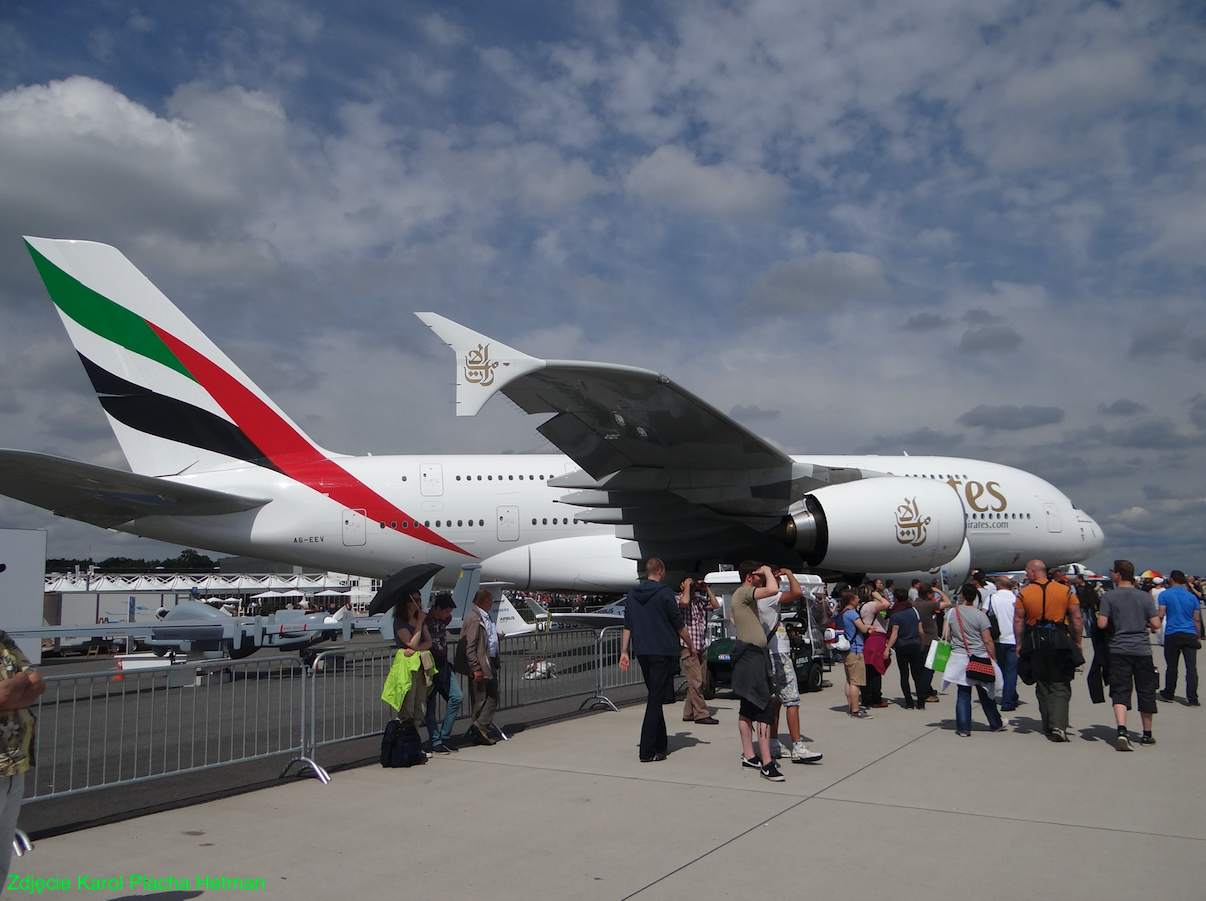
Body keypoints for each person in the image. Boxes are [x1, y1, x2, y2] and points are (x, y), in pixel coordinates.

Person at [618, 559, 694, 763]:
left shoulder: (633, 594)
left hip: (642, 650)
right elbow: (678, 623)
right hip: (661, 650)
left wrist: (624, 651)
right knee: (655, 700)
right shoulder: (664, 593)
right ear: (660, 572)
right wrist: (690, 644)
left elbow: (628, 624)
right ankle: (647, 749)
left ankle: (661, 744)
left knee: (655, 695)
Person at [756, 570, 823, 763]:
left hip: (768, 653)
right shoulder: (768, 597)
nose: (777, 582)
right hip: (779, 655)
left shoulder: (754, 599)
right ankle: (798, 746)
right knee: (792, 700)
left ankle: (774, 743)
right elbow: (797, 592)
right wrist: (789, 574)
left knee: (775, 700)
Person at [1014, 559, 1083, 742]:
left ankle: (1048, 723)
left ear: (1034, 573)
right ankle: (1058, 725)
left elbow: (1018, 621)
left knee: (1042, 683)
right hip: (1059, 641)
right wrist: (1077, 641)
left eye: (1028, 572)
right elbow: (1076, 617)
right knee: (1060, 683)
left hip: (1035, 642)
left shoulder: (1024, 593)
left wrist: (1019, 644)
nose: (1027, 576)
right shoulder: (1065, 591)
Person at [729, 561, 785, 780]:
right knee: (763, 706)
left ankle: (749, 755)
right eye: (759, 576)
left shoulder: (740, 596)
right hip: (751, 657)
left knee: (747, 706)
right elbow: (773, 589)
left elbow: (734, 617)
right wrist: (768, 571)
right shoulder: (744, 592)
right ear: (749, 577)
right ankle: (767, 763)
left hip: (749, 655)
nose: (763, 579)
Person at [1098, 560, 1160, 750]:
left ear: (1118, 574)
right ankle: (1147, 733)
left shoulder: (1109, 597)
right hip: (1142, 649)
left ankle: (1122, 728)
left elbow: (1101, 624)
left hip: (1119, 649)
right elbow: (1156, 624)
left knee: (1120, 689)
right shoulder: (1144, 597)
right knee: (1146, 689)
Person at [0, 631, 44, 884]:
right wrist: (20, 680)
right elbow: (4, 695)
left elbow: (37, 684)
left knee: (2, 853)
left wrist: (12, 688)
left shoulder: (3, 640)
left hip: (15, 763)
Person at [942, 584, 1004, 736]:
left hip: (959, 657)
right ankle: (995, 723)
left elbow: (947, 635)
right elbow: (988, 640)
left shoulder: (951, 613)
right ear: (975, 597)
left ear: (962, 595)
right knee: (986, 692)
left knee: (963, 693)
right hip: (980, 657)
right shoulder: (981, 616)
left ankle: (963, 727)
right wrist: (993, 658)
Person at [456, 587, 501, 746]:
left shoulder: (483, 616)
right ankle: (479, 728)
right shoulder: (475, 618)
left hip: (489, 662)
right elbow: (470, 645)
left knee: (492, 695)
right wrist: (475, 668)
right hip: (481, 664)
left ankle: (479, 727)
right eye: (492, 600)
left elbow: (485, 637)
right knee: (480, 698)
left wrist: (496, 638)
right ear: (487, 601)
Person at [423, 594, 463, 753]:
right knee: (430, 704)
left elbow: (446, 619)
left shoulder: (445, 619)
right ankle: (435, 740)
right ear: (437, 608)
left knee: (457, 696)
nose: (448, 615)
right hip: (430, 664)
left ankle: (445, 736)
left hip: (443, 663)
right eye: (446, 611)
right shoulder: (424, 620)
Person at [678, 577, 720, 725]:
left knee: (700, 681)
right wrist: (687, 587)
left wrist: (706, 588)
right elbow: (683, 603)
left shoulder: (699, 599)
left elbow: (715, 605)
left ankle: (689, 713)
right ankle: (701, 714)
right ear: (681, 585)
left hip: (701, 645)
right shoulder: (677, 598)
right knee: (695, 681)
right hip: (688, 646)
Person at [1158, 570, 1202, 706]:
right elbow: (1196, 619)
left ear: (1171, 579)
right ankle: (1192, 697)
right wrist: (1198, 635)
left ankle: (1169, 693)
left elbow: (1161, 614)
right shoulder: (1191, 597)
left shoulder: (1165, 594)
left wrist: (1154, 626)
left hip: (1173, 633)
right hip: (1189, 633)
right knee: (1191, 667)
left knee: (1172, 666)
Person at [393, 591, 433, 725]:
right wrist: (419, 623)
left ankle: (415, 742)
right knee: (408, 707)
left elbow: (428, 642)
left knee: (420, 706)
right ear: (407, 603)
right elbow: (412, 643)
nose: (419, 602)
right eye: (415, 599)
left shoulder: (419, 620)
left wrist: (417, 648)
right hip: (407, 667)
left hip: (420, 666)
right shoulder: (400, 622)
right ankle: (405, 741)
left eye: (420, 599)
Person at [884, 589, 926, 709]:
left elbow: (894, 633)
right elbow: (920, 631)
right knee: (917, 675)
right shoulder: (914, 611)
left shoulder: (896, 614)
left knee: (904, 675)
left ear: (896, 599)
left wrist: (887, 648)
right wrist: (921, 644)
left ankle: (909, 702)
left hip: (902, 646)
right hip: (914, 644)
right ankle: (921, 702)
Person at [839, 589, 872, 719]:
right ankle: (855, 709)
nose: (859, 600)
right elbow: (863, 628)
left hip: (846, 650)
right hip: (855, 650)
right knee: (855, 682)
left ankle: (851, 706)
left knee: (849, 680)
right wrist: (868, 629)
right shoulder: (852, 614)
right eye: (857, 598)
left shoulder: (843, 613)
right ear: (852, 600)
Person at [913, 582, 949, 703]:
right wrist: (939, 591)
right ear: (928, 594)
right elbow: (948, 603)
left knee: (921, 668)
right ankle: (924, 693)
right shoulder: (929, 604)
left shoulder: (914, 603)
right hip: (930, 639)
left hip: (917, 639)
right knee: (929, 669)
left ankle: (927, 689)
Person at [987, 577, 1020, 711]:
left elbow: (984, 615)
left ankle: (1010, 696)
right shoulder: (1017, 599)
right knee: (1011, 671)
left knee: (1002, 669)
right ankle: (1008, 700)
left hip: (998, 639)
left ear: (999, 585)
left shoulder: (991, 598)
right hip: (1014, 639)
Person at [858, 583, 891, 708]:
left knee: (867, 670)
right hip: (876, 638)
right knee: (876, 670)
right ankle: (876, 698)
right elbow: (887, 604)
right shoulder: (871, 605)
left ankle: (866, 697)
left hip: (867, 639)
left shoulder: (861, 607)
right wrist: (877, 595)